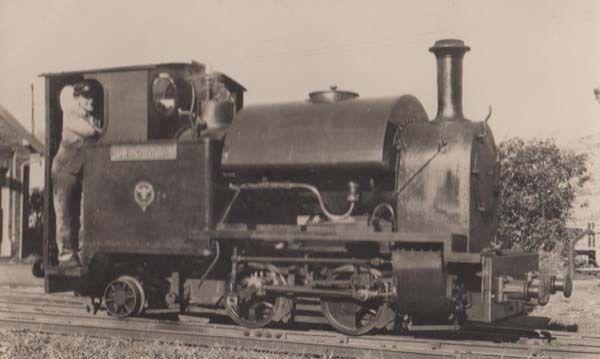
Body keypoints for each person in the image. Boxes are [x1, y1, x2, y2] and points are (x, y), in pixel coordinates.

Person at [52, 81, 102, 268]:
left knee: (83, 213)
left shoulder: (90, 118)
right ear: (78, 99)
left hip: (80, 171)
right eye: (86, 97)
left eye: (92, 97)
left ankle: (82, 253)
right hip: (64, 171)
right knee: (64, 214)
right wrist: (97, 129)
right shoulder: (72, 116)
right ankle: (65, 256)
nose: (91, 101)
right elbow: (91, 131)